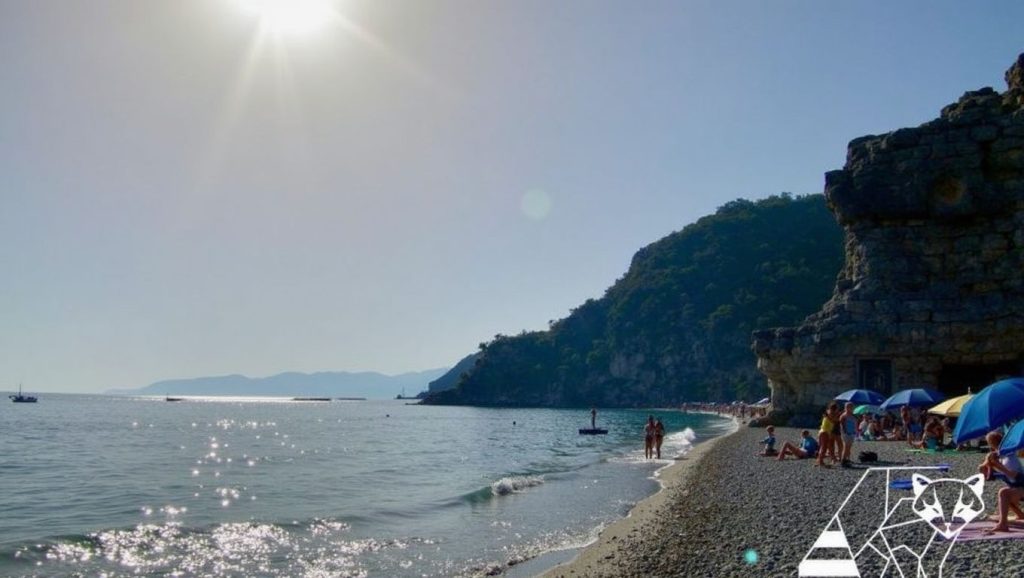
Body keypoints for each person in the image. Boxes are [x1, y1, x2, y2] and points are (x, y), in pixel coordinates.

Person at [979, 431, 1024, 532]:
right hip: (1020, 487)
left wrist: (998, 466)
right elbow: (991, 477)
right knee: (1006, 494)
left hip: (1022, 486)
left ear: (991, 443)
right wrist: (988, 466)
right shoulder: (1004, 456)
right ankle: (1020, 515)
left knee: (1004, 493)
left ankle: (1003, 524)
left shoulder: (1009, 457)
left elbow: (1016, 476)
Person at [817, 402, 839, 467]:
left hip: (822, 431)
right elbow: (834, 420)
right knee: (824, 448)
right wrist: (837, 414)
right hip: (825, 432)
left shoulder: (828, 413)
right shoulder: (831, 414)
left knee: (825, 447)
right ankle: (820, 461)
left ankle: (820, 460)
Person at [839, 402, 857, 467]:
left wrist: (855, 431)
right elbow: (841, 424)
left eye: (851, 407)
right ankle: (843, 460)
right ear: (845, 408)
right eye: (848, 407)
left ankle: (847, 459)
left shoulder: (853, 416)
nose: (850, 408)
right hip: (846, 433)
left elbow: (855, 424)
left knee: (849, 447)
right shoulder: (843, 416)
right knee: (846, 446)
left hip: (852, 433)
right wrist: (845, 431)